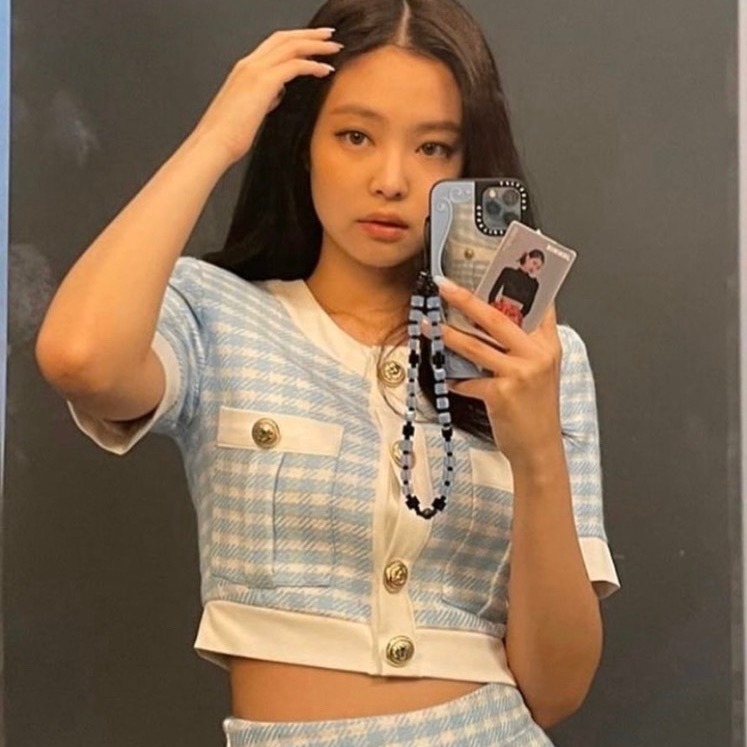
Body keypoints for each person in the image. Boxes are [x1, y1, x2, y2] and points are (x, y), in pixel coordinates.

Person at [35, 0, 620, 744]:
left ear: (468, 165)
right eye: (354, 135)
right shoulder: (214, 314)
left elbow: (557, 690)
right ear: (301, 144)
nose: (391, 179)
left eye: (433, 147)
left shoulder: (536, 360)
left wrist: (536, 453)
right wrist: (217, 137)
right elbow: (80, 358)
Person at [488, 249, 546, 327]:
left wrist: (517, 317)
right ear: (527, 257)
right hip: (499, 309)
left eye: (538, 267)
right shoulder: (508, 272)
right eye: (534, 263)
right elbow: (493, 293)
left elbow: (528, 307)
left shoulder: (534, 284)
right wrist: (492, 308)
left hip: (514, 317)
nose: (534, 268)